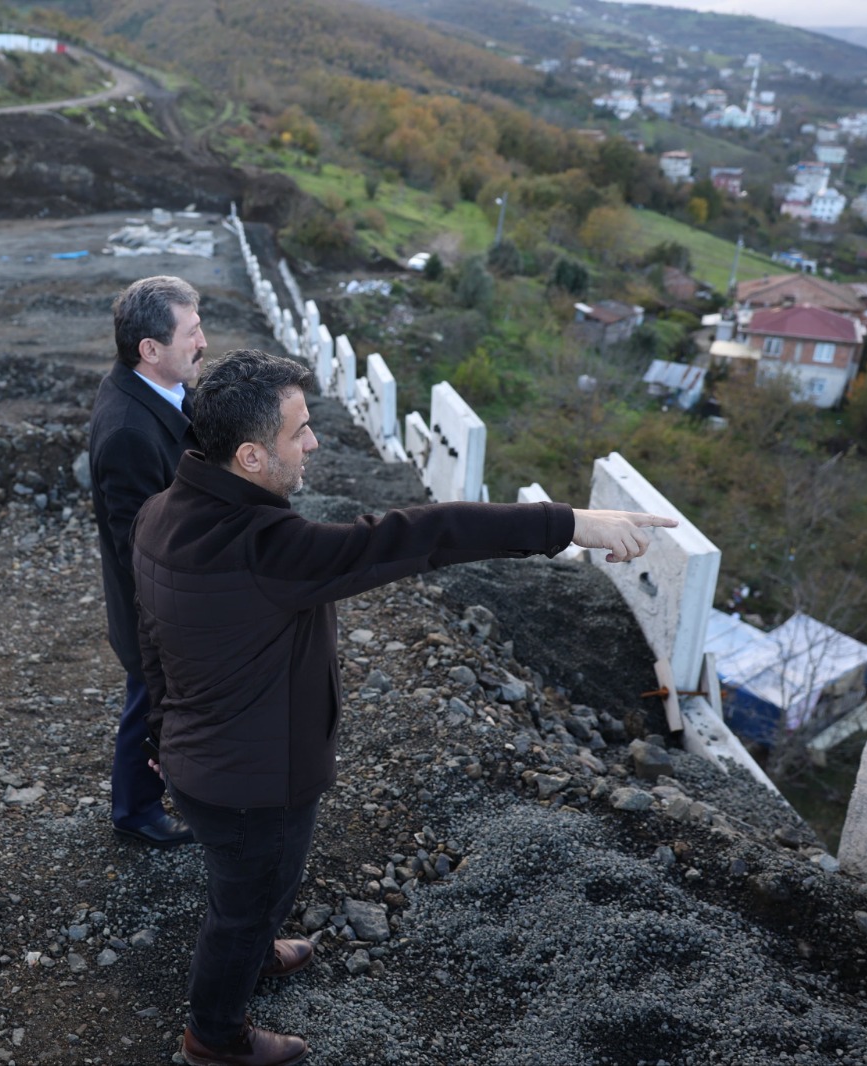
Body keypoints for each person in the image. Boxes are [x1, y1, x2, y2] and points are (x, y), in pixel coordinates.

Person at [132, 349, 677, 1066]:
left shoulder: (162, 512)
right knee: (245, 900)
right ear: (250, 456)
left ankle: (253, 948)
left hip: (200, 758)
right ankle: (215, 1035)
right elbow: (422, 534)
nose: (314, 442)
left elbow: (151, 641)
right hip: (253, 782)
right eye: (299, 431)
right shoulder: (271, 547)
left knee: (248, 890)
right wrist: (568, 523)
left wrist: (158, 729)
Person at [88, 275, 208, 848]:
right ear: (150, 349)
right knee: (150, 700)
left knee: (151, 699)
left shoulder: (160, 388)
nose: (203, 342)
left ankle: (146, 800)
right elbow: (138, 547)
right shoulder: (130, 433)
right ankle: (135, 811)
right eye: (191, 332)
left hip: (167, 603)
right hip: (151, 611)